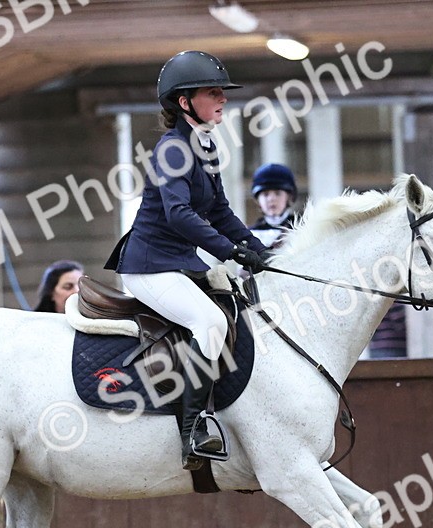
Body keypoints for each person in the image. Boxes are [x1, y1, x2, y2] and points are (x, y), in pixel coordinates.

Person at [114, 50, 270, 469]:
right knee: (210, 321)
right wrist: (229, 251)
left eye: (223, 92)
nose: (223, 98)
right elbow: (178, 214)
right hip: (149, 266)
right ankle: (193, 428)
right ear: (184, 102)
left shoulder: (204, 145)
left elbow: (218, 210)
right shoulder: (171, 149)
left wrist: (256, 248)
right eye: (213, 92)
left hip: (178, 263)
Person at [248, 163, 301, 249]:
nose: (271, 199)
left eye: (278, 193)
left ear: (289, 197)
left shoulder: (302, 228)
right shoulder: (251, 234)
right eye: (265, 194)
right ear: (258, 200)